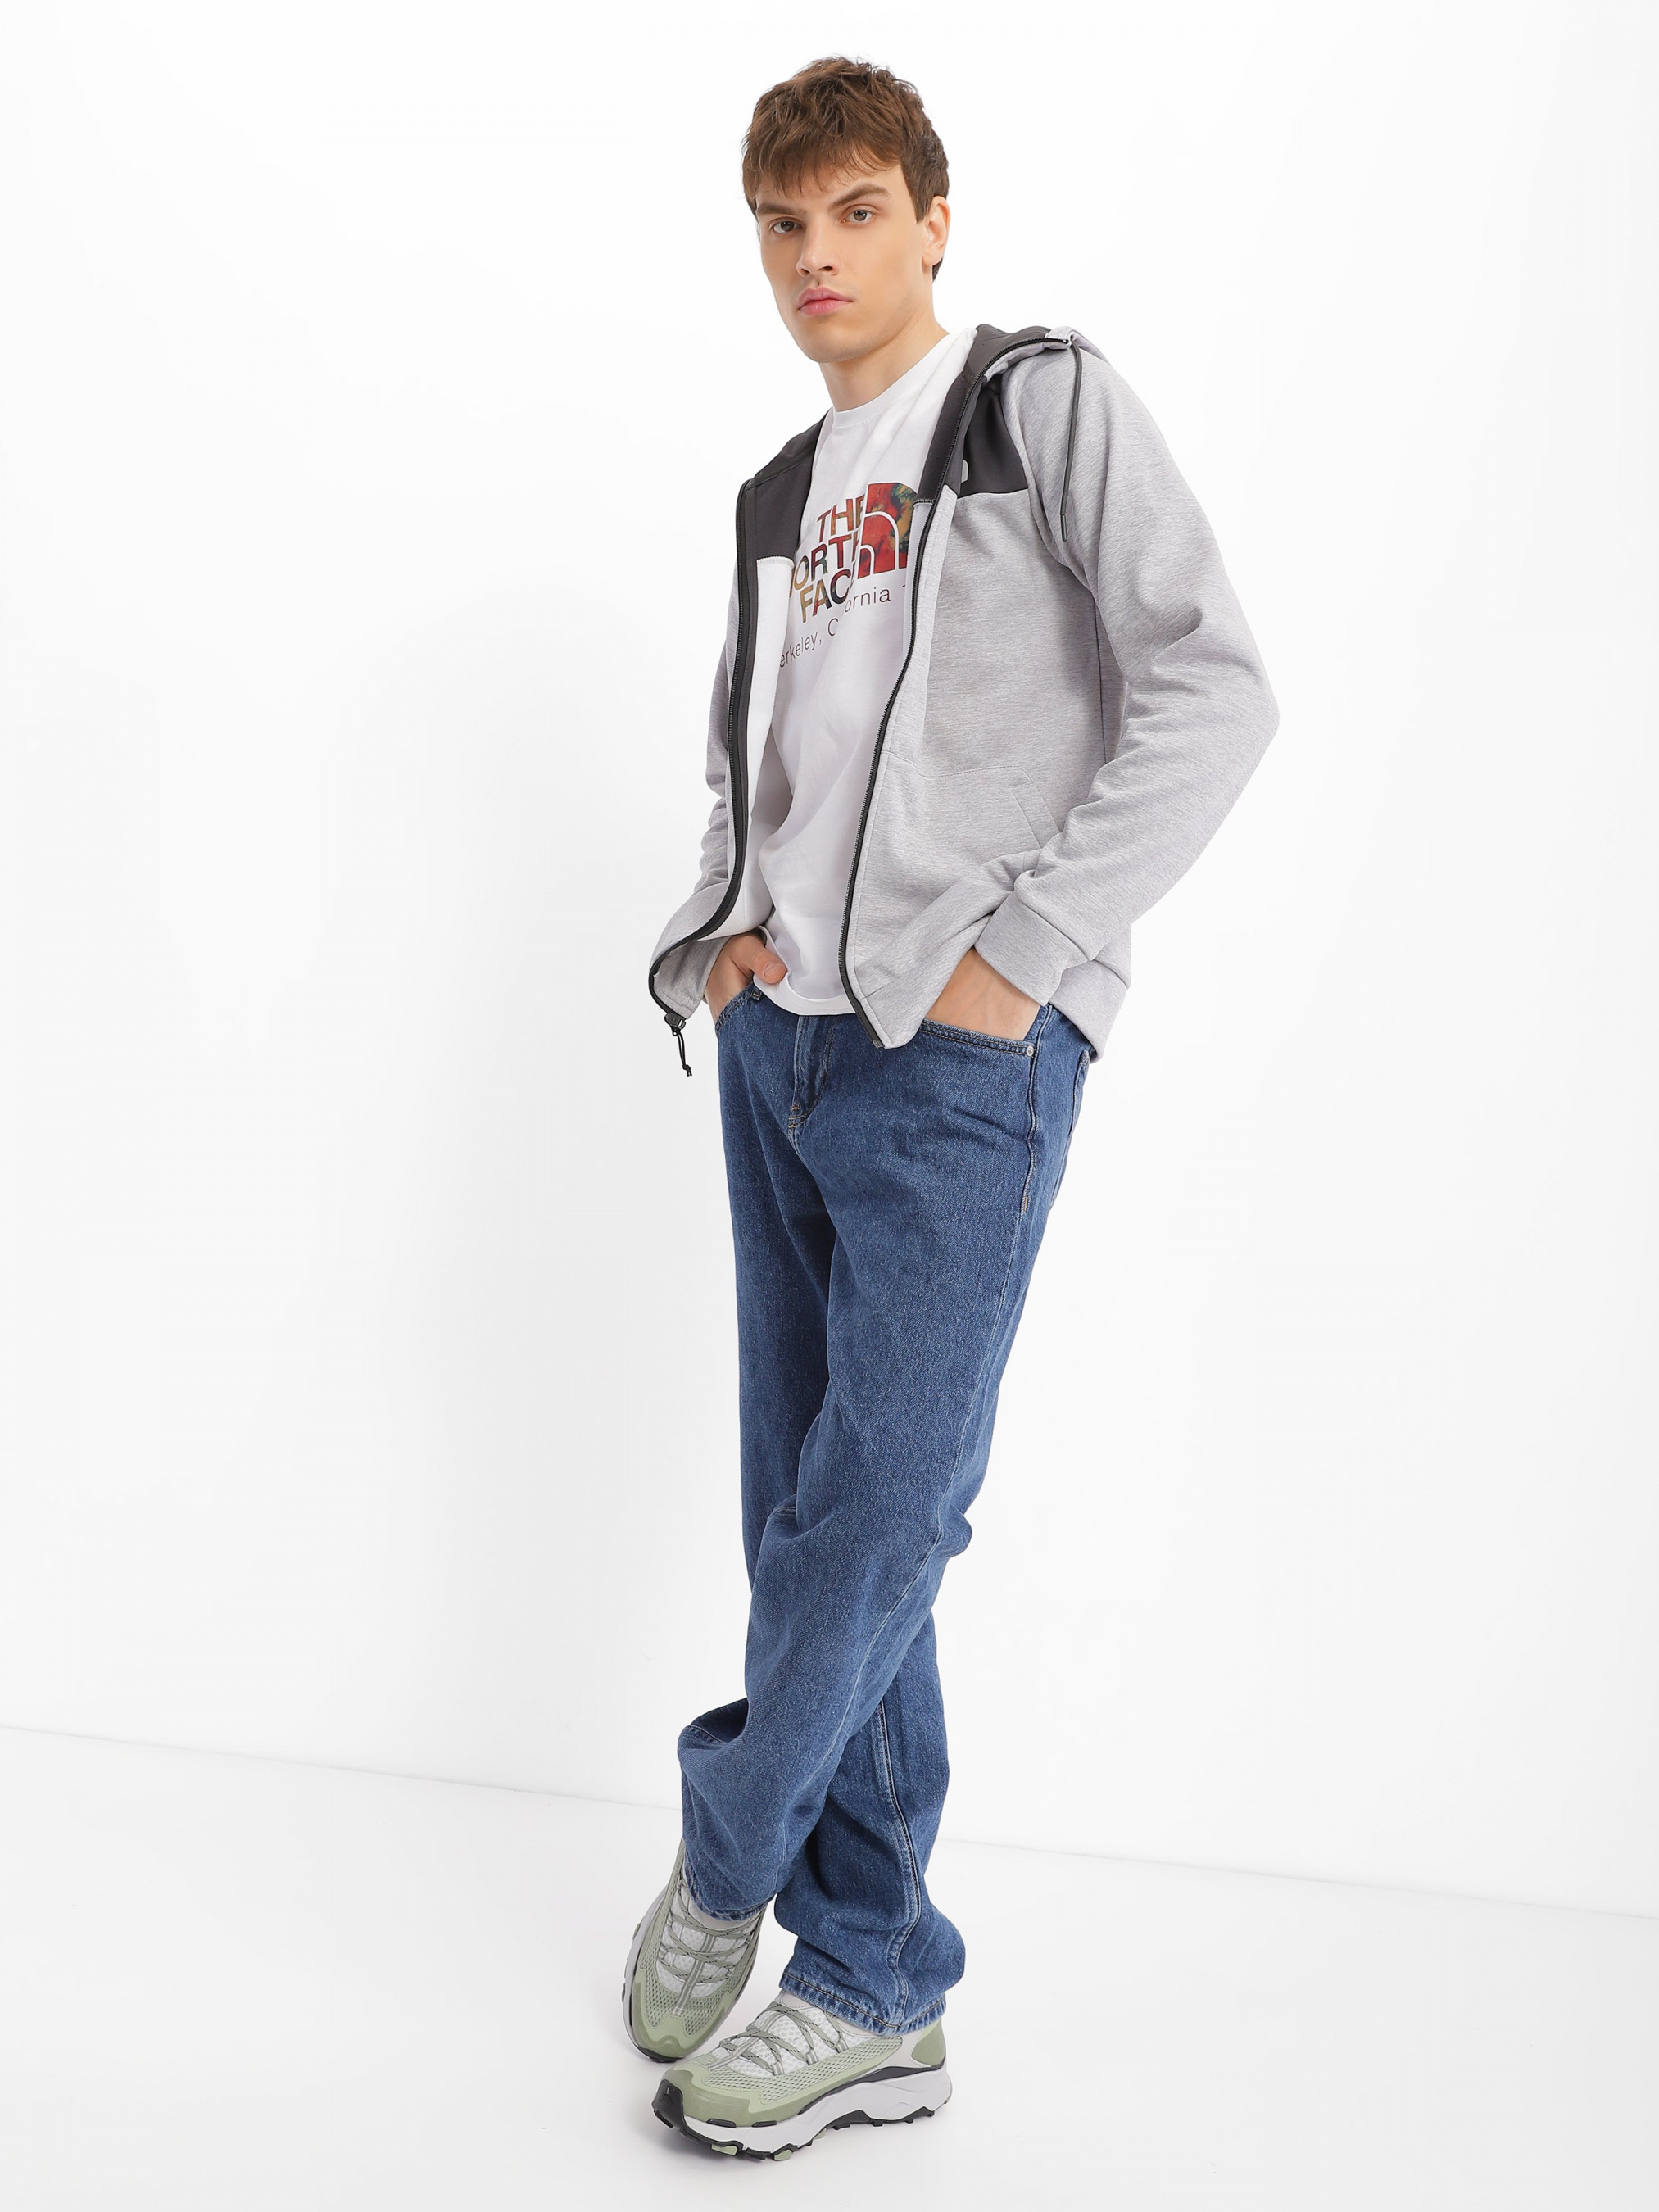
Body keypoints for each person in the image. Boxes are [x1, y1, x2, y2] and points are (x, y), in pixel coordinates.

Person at [628, 53, 1279, 2161]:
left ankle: (731, 1849)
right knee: (813, 1515)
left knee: (881, 1511)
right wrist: (718, 935)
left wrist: (1026, 954)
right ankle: (873, 1984)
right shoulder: (776, 494)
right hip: (783, 1045)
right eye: (780, 224)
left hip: (956, 1053)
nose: (814, 257)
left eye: (853, 212)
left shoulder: (1030, 404)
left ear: (929, 219)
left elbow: (1212, 682)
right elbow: (761, 769)